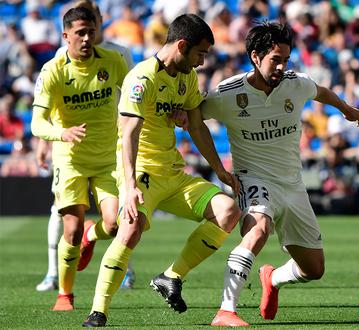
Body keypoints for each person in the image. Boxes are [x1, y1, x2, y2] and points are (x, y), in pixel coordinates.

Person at [82, 14, 242, 327]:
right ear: (182, 45)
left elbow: (196, 126)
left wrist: (220, 170)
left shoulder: (187, 78)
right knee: (129, 230)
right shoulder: (143, 78)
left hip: (173, 173)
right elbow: (128, 133)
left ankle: (170, 277)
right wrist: (129, 188)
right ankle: (98, 312)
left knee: (227, 211)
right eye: (200, 53)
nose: (202, 61)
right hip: (141, 172)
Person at [202, 21, 359, 326]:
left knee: (314, 269)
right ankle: (225, 310)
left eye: (286, 60)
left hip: (293, 185)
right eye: (275, 59)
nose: (281, 67)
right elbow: (195, 114)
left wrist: (346, 109)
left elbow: (321, 92)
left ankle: (272, 278)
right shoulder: (228, 93)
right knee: (258, 229)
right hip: (253, 179)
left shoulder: (295, 83)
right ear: (255, 57)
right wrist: (182, 117)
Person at [31, 6, 129, 311]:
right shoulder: (53, 70)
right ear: (66, 36)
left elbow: (136, 96)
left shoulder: (113, 61)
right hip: (69, 158)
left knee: (113, 226)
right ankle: (65, 294)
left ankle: (92, 233)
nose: (87, 38)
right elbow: (37, 123)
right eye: (80, 33)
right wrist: (61, 134)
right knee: (70, 229)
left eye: (91, 32)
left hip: (107, 157)